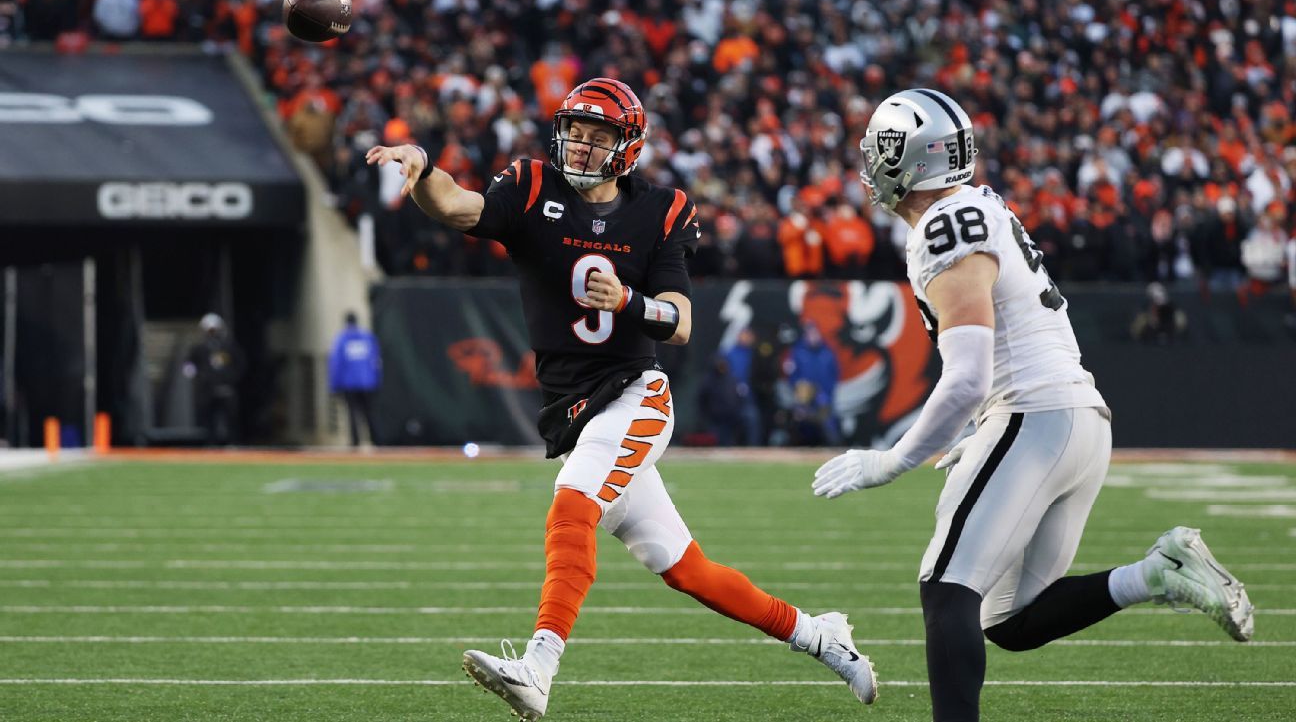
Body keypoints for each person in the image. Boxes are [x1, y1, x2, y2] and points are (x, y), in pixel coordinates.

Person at [365, 77, 876, 720]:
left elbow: (682, 322)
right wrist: (423, 172)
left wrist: (631, 302)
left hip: (635, 393)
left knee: (572, 505)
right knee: (685, 568)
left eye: (597, 135)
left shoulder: (660, 209)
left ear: (627, 146)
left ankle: (538, 668)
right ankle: (823, 634)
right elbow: (460, 207)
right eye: (574, 131)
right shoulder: (530, 185)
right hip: (577, 409)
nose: (579, 145)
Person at [810, 89, 1255, 722]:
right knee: (1008, 619)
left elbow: (967, 379)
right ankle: (1158, 573)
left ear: (909, 158)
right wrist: (990, 423)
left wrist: (894, 459)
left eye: (881, 147)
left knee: (947, 592)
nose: (870, 161)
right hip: (1076, 419)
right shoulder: (974, 208)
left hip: (1035, 414)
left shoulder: (944, 225)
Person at [183, 313, 243, 446]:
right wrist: (196, 375)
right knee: (209, 418)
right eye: (210, 331)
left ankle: (231, 443)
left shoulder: (229, 347)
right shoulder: (199, 349)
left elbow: (240, 364)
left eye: (214, 330)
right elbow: (189, 365)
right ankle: (211, 443)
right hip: (207, 390)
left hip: (226, 388)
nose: (212, 333)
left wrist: (231, 379)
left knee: (230, 417)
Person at [328, 311, 382, 447]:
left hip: (349, 383)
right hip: (367, 382)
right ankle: (376, 440)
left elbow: (336, 364)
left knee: (352, 412)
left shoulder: (342, 339)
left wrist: (334, 385)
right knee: (369, 412)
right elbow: (376, 361)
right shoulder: (368, 338)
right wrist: (376, 380)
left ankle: (355, 442)